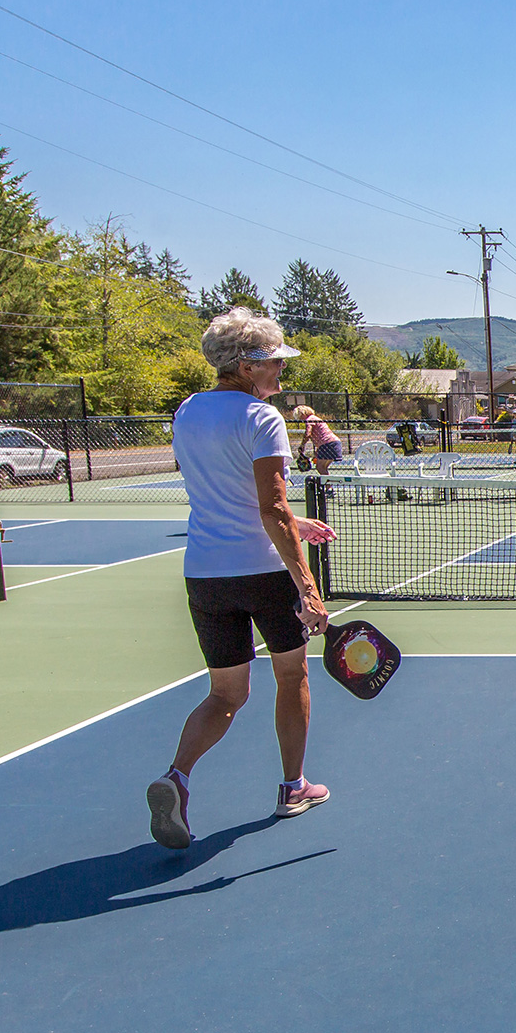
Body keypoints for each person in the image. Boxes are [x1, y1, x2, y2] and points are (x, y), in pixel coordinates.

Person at [147, 308, 339, 851]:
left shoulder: (186, 413)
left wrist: (295, 522)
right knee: (291, 677)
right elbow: (272, 506)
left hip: (205, 574)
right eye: (274, 359)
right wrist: (306, 585)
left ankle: (177, 778)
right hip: (262, 572)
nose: (280, 369)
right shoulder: (262, 418)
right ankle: (294, 786)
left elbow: (222, 493)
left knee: (225, 695)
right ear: (249, 364)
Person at [293, 405, 343, 475]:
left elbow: (308, 434)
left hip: (328, 444)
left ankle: (329, 486)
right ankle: (328, 485)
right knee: (323, 468)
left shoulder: (310, 419)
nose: (300, 420)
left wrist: (302, 445)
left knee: (320, 468)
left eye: (299, 417)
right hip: (333, 443)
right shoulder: (316, 418)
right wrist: (317, 452)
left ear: (303, 414)